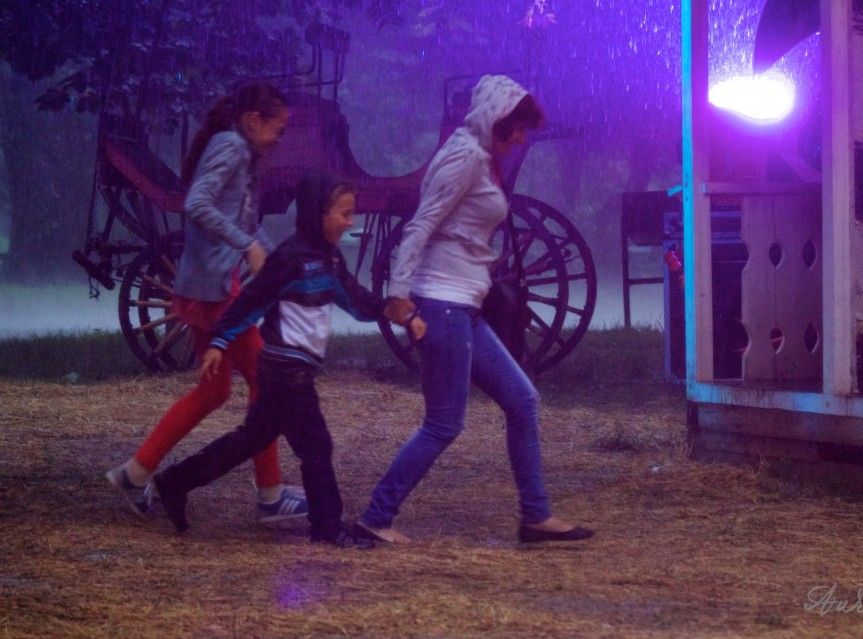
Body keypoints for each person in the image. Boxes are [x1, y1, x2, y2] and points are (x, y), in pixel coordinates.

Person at [354, 75, 594, 545]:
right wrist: (398, 292)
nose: (521, 138)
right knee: (443, 423)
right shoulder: (465, 156)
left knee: (522, 400)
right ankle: (375, 519)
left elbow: (459, 229)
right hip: (441, 303)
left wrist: (481, 259)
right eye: (516, 128)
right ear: (494, 119)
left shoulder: (481, 158)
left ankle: (536, 517)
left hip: (463, 304)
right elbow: (421, 224)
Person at [151, 173, 427, 547]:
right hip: (286, 371)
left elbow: (358, 302)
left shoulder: (329, 260)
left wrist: (393, 312)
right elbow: (251, 301)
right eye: (344, 214)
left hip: (285, 372)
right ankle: (327, 529)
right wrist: (219, 341)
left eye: (352, 214)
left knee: (250, 440)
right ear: (317, 213)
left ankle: (174, 482)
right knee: (317, 448)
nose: (351, 222)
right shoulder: (289, 259)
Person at [105, 83, 309, 523]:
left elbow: (245, 223)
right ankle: (270, 495)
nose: (280, 137)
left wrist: (276, 258)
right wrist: (246, 246)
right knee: (268, 386)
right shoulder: (232, 147)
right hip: (216, 294)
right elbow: (196, 203)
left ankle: (135, 474)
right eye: (278, 128)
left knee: (214, 391)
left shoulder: (237, 150)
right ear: (253, 120)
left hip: (205, 289)